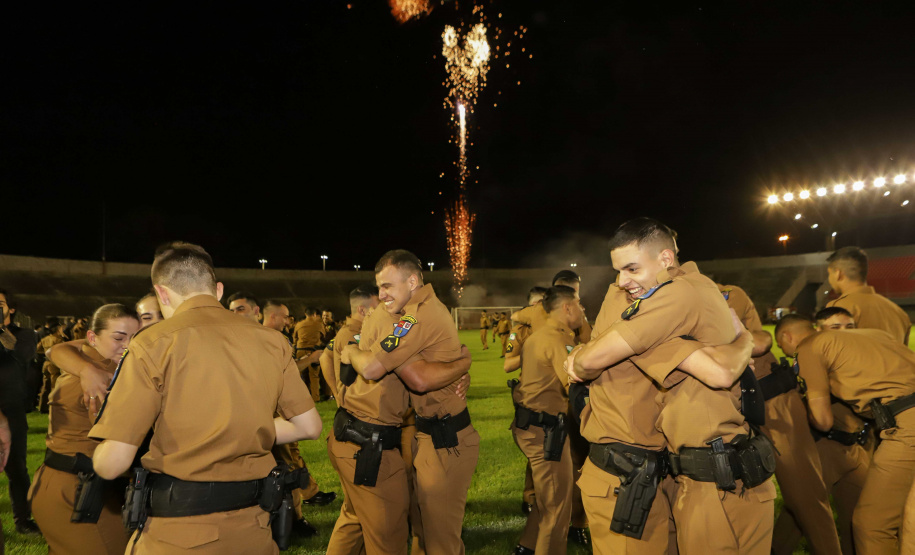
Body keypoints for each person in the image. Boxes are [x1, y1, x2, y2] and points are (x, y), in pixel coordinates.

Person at [89, 241, 322, 554]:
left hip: (178, 530)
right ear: (219, 290)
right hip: (254, 526)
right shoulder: (272, 340)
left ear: (161, 294)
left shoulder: (152, 343)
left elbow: (112, 464)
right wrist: (240, 425)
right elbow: (309, 427)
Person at [567, 218, 775, 554]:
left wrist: (577, 358)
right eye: (619, 272)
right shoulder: (699, 287)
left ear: (666, 259)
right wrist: (743, 340)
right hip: (677, 472)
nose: (622, 282)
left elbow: (719, 374)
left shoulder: (671, 298)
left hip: (704, 477)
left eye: (632, 269)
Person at [342, 249, 479, 555]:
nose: (381, 294)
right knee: (421, 529)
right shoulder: (409, 312)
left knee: (441, 541)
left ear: (413, 281)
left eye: (388, 286)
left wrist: (350, 352)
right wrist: (462, 362)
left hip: (447, 440)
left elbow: (408, 377)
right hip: (427, 434)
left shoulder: (417, 316)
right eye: (379, 287)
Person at [775, 314, 915, 554]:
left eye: (782, 347)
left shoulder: (808, 347)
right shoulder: (874, 334)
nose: (786, 352)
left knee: (872, 525)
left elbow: (823, 420)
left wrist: (803, 406)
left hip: (906, 425)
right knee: (909, 520)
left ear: (787, 337)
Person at [719, 284, 842, 555]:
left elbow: (761, 341)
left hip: (771, 400)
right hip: (721, 408)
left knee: (806, 493)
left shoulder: (723, 293)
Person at [28, 304, 139, 554]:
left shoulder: (91, 362)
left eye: (134, 337)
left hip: (62, 484)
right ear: (92, 337)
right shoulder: (102, 377)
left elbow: (61, 348)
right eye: (119, 337)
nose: (128, 345)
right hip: (78, 491)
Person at [773, 307, 870, 555]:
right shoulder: (816, 353)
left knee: (854, 518)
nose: (843, 333)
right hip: (828, 446)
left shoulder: (848, 351)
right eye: (835, 328)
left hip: (852, 445)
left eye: (848, 326)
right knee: (805, 513)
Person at [241, 295, 335, 536]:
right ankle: (294, 519)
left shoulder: (255, 338)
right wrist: (310, 359)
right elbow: (285, 374)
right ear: (272, 316)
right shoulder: (271, 340)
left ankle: (308, 495)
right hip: (275, 413)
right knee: (288, 463)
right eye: (284, 316)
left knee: (287, 459)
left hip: (264, 412)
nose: (288, 321)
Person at [510, 286, 583, 554]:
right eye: (580, 305)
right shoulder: (556, 339)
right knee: (557, 509)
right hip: (546, 431)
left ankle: (526, 547)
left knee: (546, 501)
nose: (582, 310)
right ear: (567, 308)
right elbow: (574, 383)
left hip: (533, 425)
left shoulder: (540, 335)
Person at [0, 288, 40, 535]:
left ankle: (23, 520)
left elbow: (19, 358)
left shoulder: (25, 334)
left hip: (11, 409)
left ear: (11, 309)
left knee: (16, 468)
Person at [825, 246, 912, 344]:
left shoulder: (838, 308)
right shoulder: (899, 313)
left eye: (829, 274)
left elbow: (832, 353)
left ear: (838, 273)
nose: (829, 279)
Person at [294, 307, 326, 402]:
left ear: (305, 314)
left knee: (298, 377)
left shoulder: (299, 324)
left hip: (300, 351)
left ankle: (299, 397)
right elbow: (323, 337)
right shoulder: (319, 325)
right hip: (313, 352)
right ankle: (315, 398)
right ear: (315, 314)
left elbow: (295, 339)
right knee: (314, 376)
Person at [36, 318, 66, 413]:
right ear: (57, 329)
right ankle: (53, 407)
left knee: (45, 386)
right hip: (54, 364)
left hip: (46, 364)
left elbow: (37, 349)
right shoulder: (58, 340)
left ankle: (42, 407)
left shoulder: (45, 339)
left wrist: (45, 353)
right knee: (54, 386)